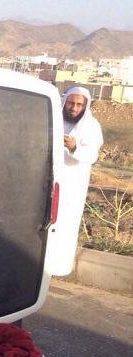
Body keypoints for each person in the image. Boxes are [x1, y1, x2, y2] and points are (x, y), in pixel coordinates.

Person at [53, 86, 104, 273]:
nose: (74, 108)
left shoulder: (91, 126)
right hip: (49, 181)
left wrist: (74, 147)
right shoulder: (55, 119)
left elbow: (92, 155)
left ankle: (58, 267)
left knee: (65, 224)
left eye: (78, 104)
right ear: (65, 102)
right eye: (71, 103)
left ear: (85, 106)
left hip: (72, 186)